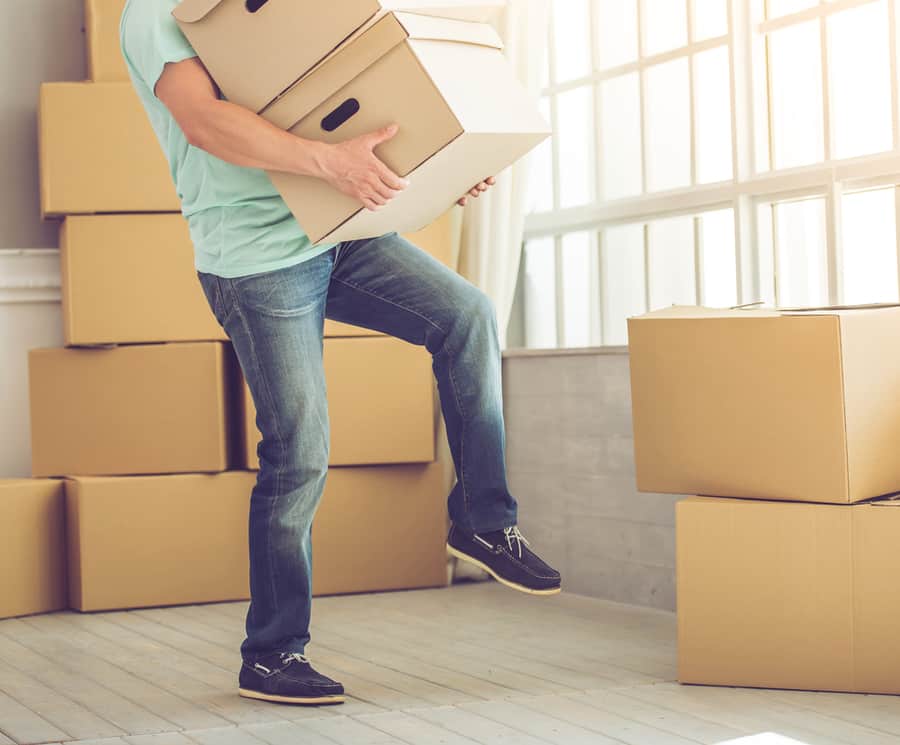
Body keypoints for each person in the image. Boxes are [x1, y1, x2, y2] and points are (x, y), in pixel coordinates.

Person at [120, 0, 562, 707]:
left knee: (467, 314)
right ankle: (271, 652)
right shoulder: (156, 11)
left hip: (337, 225)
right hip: (258, 256)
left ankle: (483, 519)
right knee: (299, 450)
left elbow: (338, 98)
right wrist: (330, 162)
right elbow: (204, 122)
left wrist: (442, 164)